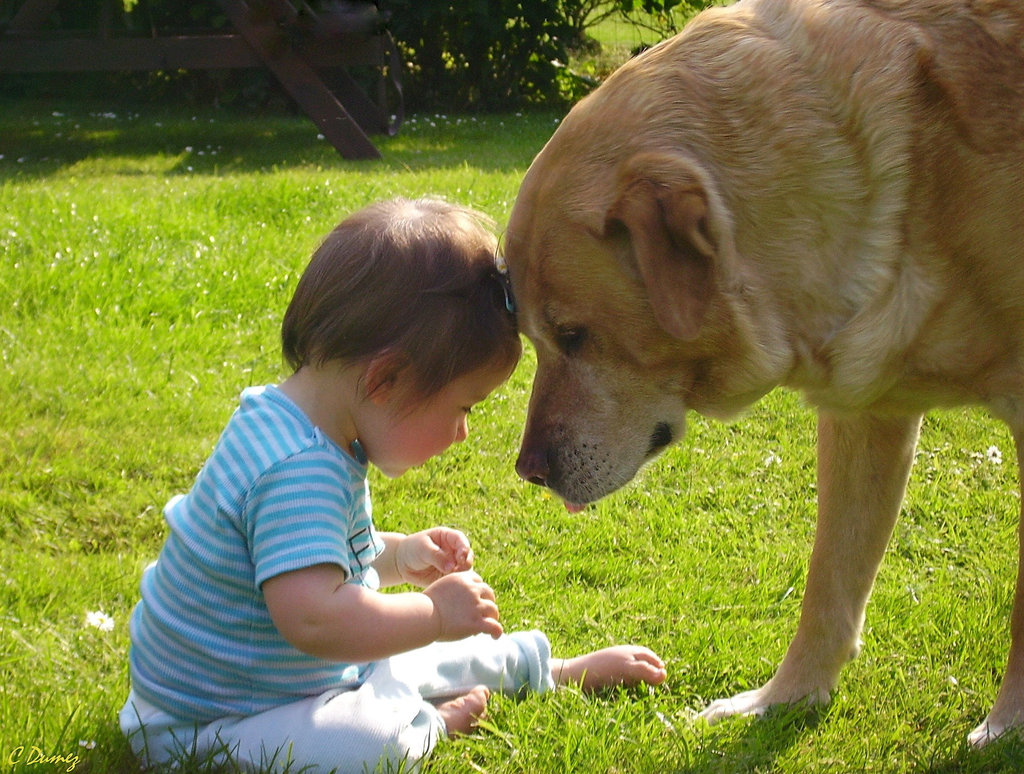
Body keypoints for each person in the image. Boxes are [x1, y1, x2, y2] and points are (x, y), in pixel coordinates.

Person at [119, 197, 667, 773]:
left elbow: (310, 563)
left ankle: (545, 670)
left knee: (404, 654)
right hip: (213, 725)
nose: (459, 434)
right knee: (367, 740)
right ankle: (427, 726)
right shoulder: (295, 469)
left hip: (283, 684)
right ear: (387, 379)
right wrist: (431, 615)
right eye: (463, 408)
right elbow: (315, 618)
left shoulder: (293, 427)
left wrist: (400, 556)